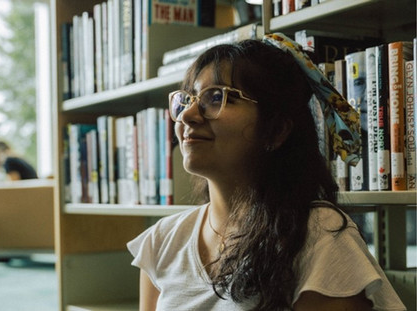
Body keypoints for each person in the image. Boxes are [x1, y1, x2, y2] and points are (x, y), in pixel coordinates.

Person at [127, 34, 406, 311]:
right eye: (186, 100)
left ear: (276, 130)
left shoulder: (318, 236)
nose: (187, 115)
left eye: (216, 97)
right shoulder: (161, 241)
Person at [0, 140, 38, 219]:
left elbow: (13, 186)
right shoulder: (16, 159)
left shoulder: (8, 160)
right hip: (32, 196)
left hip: (26, 197)